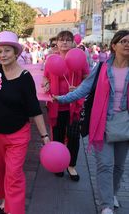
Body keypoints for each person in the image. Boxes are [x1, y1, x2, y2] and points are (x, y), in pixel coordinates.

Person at [54, 30, 129, 214]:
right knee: (105, 165)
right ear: (114, 45)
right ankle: (106, 205)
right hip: (102, 123)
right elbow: (85, 88)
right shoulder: (102, 67)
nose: (127, 44)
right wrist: (63, 98)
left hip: (125, 125)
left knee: (119, 166)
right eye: (124, 41)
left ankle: (112, 194)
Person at [0, 31, 50, 214]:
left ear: (16, 53)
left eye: (7, 51)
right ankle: (5, 198)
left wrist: (44, 135)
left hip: (17, 134)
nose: (2, 55)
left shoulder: (25, 77)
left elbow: (34, 108)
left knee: (13, 174)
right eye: (0, 51)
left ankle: (14, 210)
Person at [43, 30, 89, 181]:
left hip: (74, 106)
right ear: (57, 42)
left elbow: (87, 79)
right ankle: (58, 163)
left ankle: (71, 165)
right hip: (56, 105)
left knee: (74, 136)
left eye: (68, 40)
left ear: (72, 42)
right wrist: (47, 84)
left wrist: (79, 88)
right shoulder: (51, 59)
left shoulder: (80, 58)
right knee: (57, 136)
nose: (64, 42)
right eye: (61, 40)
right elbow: (45, 78)